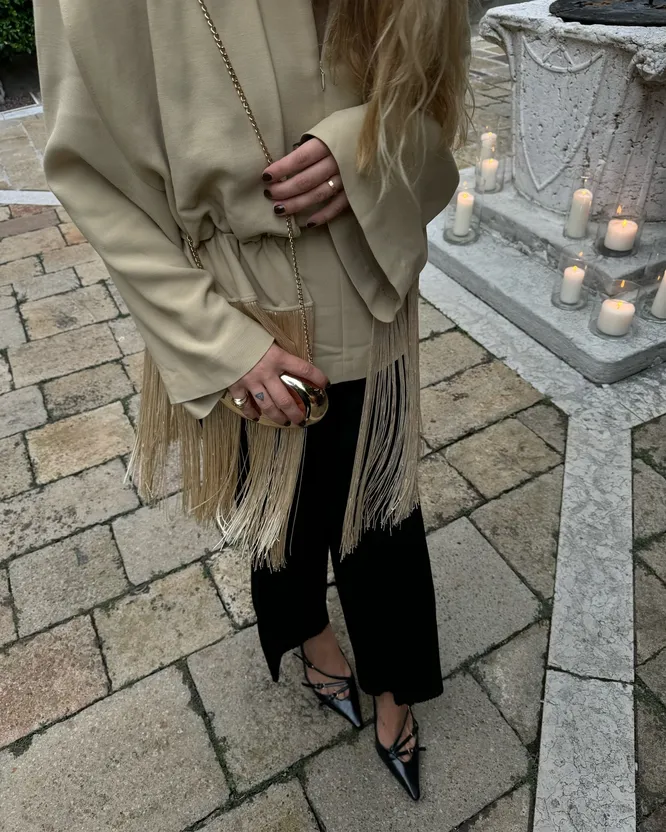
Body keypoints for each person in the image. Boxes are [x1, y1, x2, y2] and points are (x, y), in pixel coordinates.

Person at [34, 0, 469, 801]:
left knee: (383, 515)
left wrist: (368, 146)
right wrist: (214, 341)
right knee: (280, 512)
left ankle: (395, 685)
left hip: (371, 281)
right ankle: (309, 634)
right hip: (237, 303)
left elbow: (438, 101)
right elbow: (89, 169)